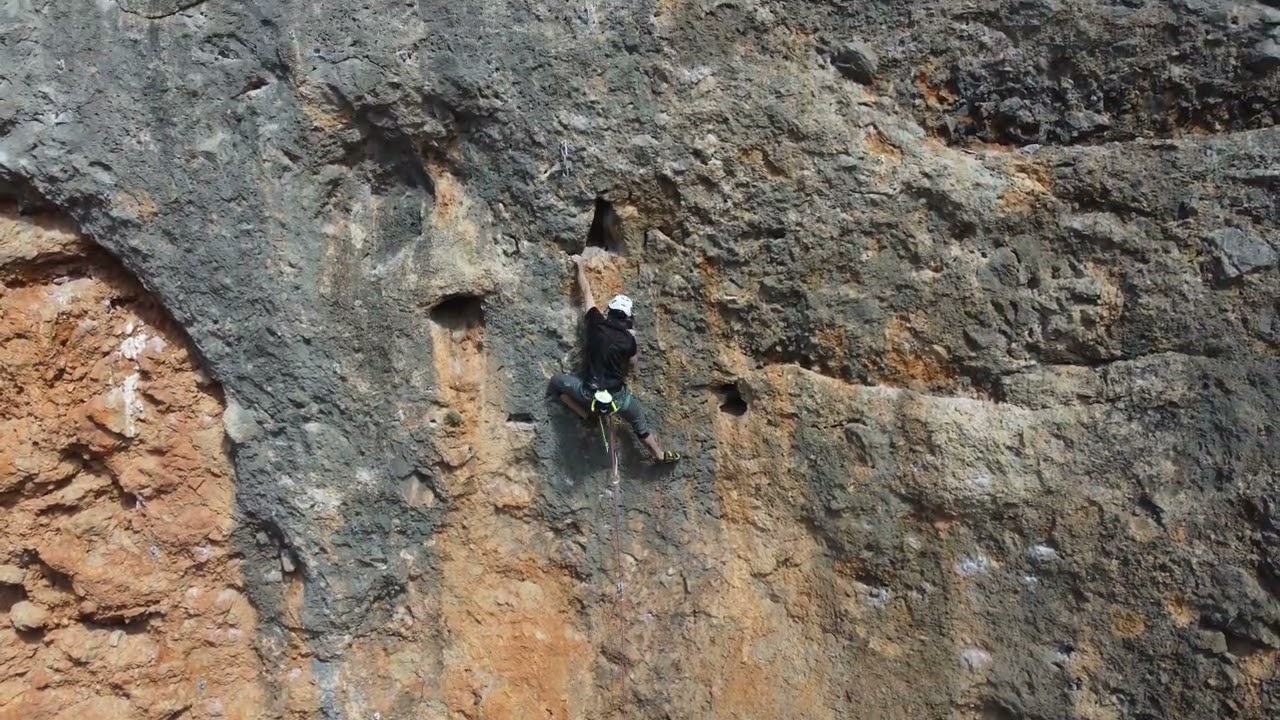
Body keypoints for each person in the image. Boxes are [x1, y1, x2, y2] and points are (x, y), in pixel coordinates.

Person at [548, 255, 680, 464]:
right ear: (627, 317)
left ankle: (585, 416)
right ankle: (660, 454)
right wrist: (631, 339)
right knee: (640, 425)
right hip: (617, 398)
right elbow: (634, 365)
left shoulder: (595, 322)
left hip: (588, 394)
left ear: (609, 311)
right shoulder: (629, 340)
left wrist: (580, 266)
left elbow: (587, 291)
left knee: (556, 383)